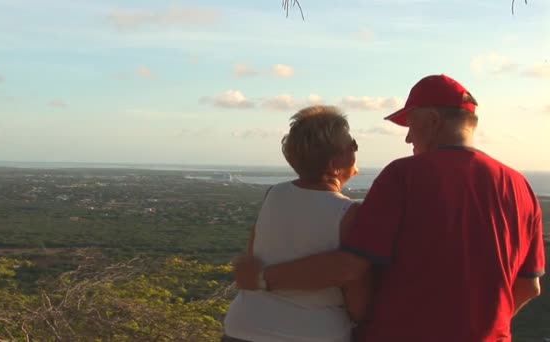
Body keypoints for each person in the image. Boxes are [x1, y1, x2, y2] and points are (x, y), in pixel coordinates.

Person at [233, 74, 545, 342]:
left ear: (433, 121)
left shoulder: (405, 174)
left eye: (410, 125)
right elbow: (529, 286)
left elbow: (350, 266)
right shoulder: (521, 188)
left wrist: (260, 278)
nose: (408, 137)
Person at [222, 106, 365, 342]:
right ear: (333, 163)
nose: (356, 150)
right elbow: (357, 297)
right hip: (311, 333)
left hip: (243, 327)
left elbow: (251, 258)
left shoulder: (273, 195)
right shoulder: (349, 213)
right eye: (353, 145)